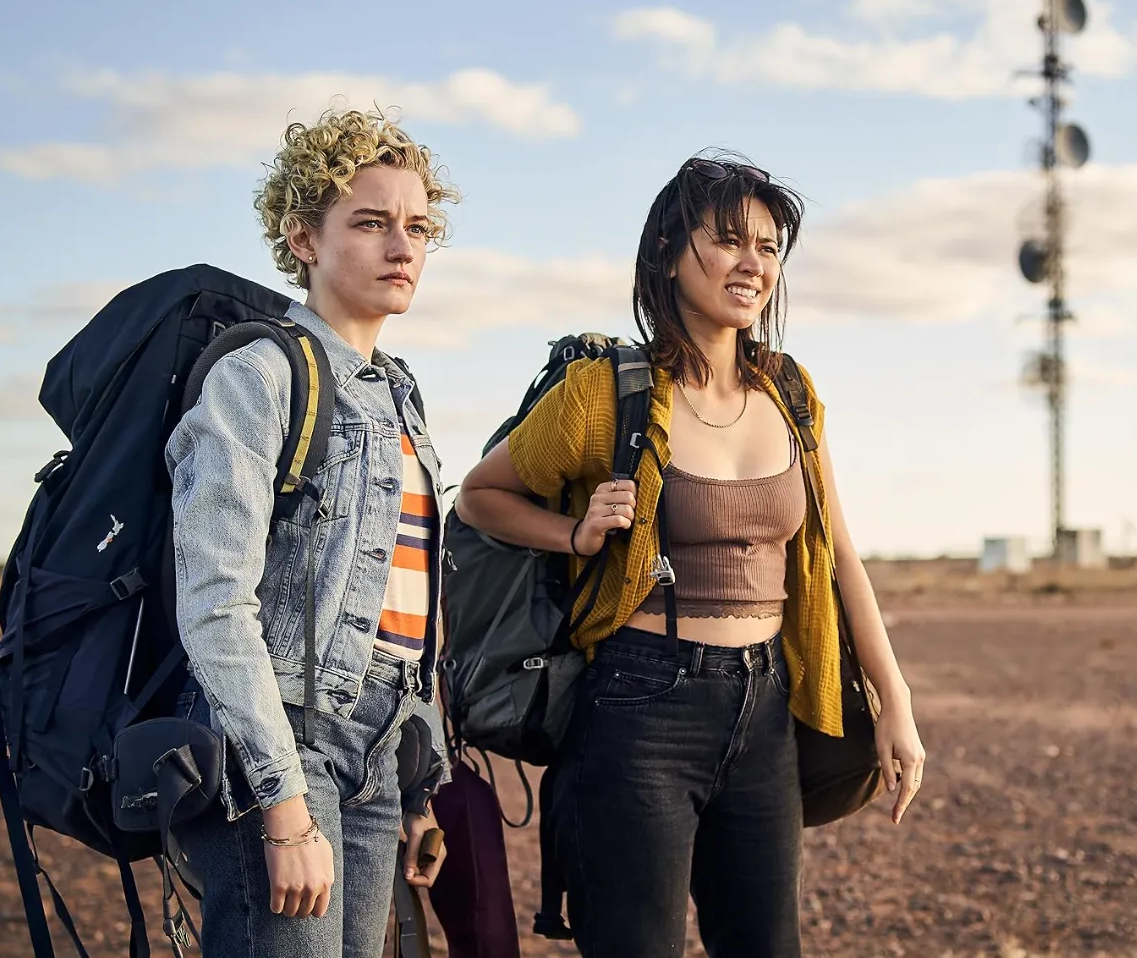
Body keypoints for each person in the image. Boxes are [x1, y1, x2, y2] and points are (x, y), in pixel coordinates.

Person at [455, 152, 927, 957]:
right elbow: (479, 495)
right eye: (729, 239)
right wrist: (574, 534)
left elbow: (838, 554)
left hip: (766, 704)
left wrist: (895, 700)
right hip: (639, 705)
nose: (753, 263)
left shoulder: (790, 391)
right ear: (669, 251)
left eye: (768, 247)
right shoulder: (604, 393)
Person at [166, 107, 456, 955]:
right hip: (285, 740)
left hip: (377, 749)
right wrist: (281, 802)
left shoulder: (399, 393)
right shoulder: (257, 374)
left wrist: (416, 783)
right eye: (370, 223)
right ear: (302, 238)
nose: (401, 247)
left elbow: (406, 607)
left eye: (417, 227)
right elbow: (215, 602)